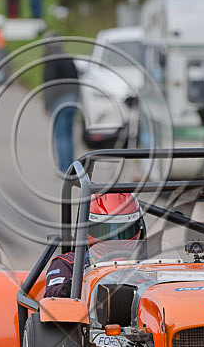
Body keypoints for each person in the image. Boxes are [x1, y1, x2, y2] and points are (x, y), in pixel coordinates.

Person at [44, 193, 144, 298]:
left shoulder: (149, 265)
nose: (114, 238)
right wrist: (76, 286)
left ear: (138, 228)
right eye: (104, 230)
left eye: (123, 230)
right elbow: (53, 299)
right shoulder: (68, 264)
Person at [42, 38, 79, 172]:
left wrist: (47, 105)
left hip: (58, 101)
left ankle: (64, 168)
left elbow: (49, 85)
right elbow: (77, 80)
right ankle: (72, 166)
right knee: (69, 134)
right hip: (72, 100)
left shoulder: (50, 60)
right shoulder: (68, 58)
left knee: (61, 135)